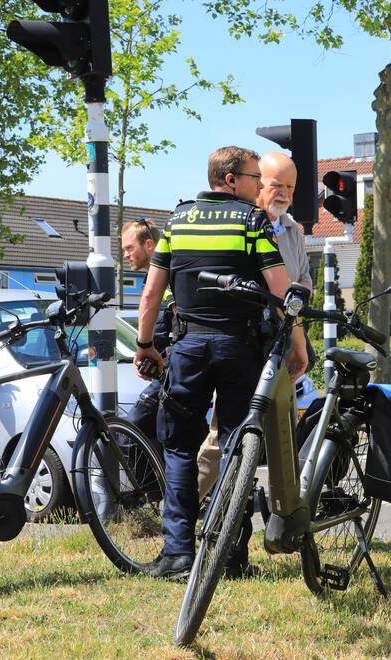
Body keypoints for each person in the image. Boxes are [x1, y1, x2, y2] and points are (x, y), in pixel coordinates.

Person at [134, 145, 308, 581]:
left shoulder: (177, 221)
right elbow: (282, 291)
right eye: (254, 177)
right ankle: (231, 553)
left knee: (178, 449)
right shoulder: (251, 222)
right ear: (231, 180)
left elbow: (152, 293)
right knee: (236, 446)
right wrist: (297, 341)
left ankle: (177, 554)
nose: (258, 186)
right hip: (239, 350)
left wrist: (144, 344)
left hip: (188, 349)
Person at [195, 150, 314, 499]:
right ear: (258, 184)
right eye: (277, 184)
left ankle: (285, 518)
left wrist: (296, 338)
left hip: (283, 339)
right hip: (246, 341)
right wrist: (287, 290)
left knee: (283, 434)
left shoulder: (294, 231)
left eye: (291, 187)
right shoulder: (241, 222)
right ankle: (184, 510)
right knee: (223, 436)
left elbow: (304, 283)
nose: (285, 194)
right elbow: (276, 287)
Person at [119, 218, 177, 444]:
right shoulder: (151, 279)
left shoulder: (167, 278)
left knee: (128, 438)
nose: (126, 255)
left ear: (150, 245)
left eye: (129, 248)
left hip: (173, 374)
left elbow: (182, 317)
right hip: (164, 377)